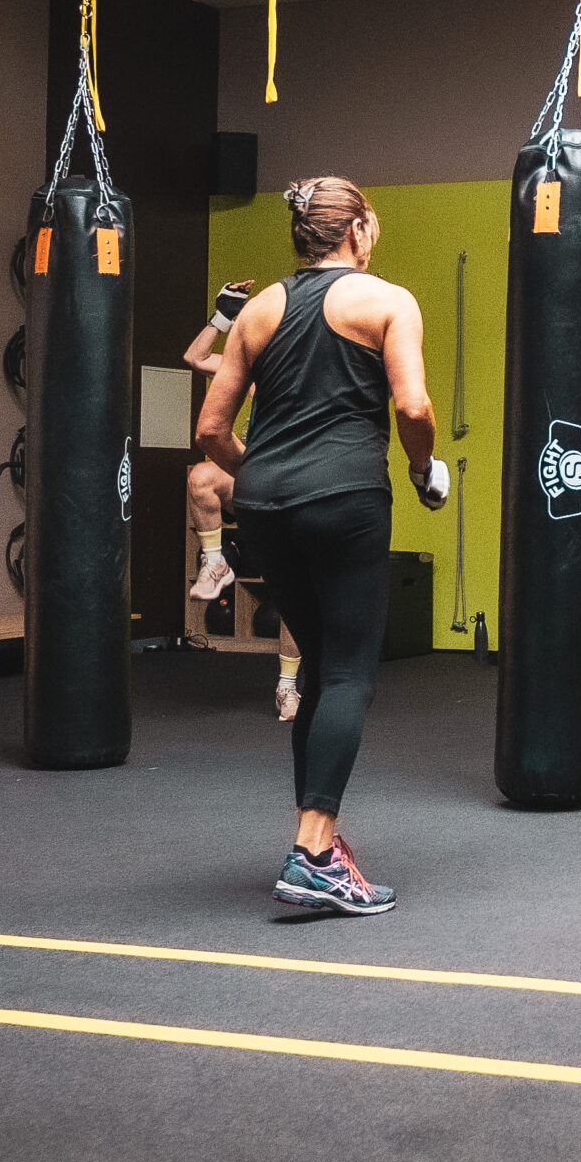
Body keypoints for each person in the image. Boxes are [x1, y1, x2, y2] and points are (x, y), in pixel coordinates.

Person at [197, 177, 446, 917]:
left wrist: (269, 477)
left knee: (317, 664)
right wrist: (421, 465)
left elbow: (212, 431)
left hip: (267, 507)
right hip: (346, 502)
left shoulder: (260, 308)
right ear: (359, 232)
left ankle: (321, 840)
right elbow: (414, 405)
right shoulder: (387, 301)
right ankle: (311, 853)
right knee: (348, 673)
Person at [183, 279, 303, 719]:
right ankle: (215, 560)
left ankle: (287, 686)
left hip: (295, 491)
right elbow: (195, 358)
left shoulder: (310, 376)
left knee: (291, 596)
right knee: (201, 478)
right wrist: (223, 315)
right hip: (252, 477)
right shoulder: (252, 377)